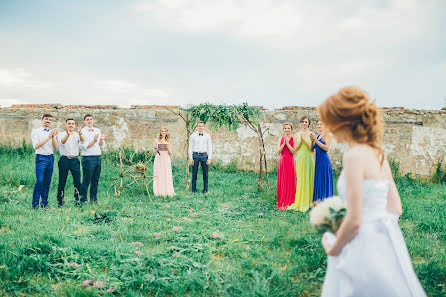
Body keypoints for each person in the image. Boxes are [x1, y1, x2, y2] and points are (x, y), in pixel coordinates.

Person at [318, 86, 426, 297]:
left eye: (330, 121)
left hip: (360, 243)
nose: (328, 128)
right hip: (386, 240)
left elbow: (356, 219)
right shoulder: (378, 154)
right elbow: (396, 207)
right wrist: (379, 231)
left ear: (343, 122)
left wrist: (335, 247)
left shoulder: (353, 156)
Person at [287, 116, 315, 212]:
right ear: (300, 123)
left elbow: (312, 149)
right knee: (301, 178)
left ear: (309, 123)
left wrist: (305, 140)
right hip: (300, 157)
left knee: (309, 178)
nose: (304, 123)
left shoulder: (312, 134)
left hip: (309, 157)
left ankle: (309, 201)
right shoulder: (297, 134)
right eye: (302, 122)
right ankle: (300, 200)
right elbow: (295, 150)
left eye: (306, 122)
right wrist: (301, 141)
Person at [30, 114, 58, 209]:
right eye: (46, 119)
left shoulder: (51, 132)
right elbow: (36, 146)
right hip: (41, 158)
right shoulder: (36, 131)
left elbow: (55, 147)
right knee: (40, 180)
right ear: (42, 120)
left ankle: (44, 203)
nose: (48, 121)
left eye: (50, 120)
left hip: (50, 158)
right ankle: (35, 205)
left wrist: (53, 137)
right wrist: (48, 137)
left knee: (47, 181)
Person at [56, 118, 85, 207]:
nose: (71, 125)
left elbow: (83, 141)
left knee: (77, 181)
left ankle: (77, 200)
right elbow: (62, 142)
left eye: (72, 124)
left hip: (74, 160)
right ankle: (60, 201)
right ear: (66, 125)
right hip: (64, 160)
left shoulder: (77, 134)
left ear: (74, 125)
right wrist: (68, 135)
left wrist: (80, 133)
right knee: (62, 181)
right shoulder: (61, 134)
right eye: (69, 123)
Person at [79, 114, 106, 204]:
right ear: (84, 122)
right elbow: (84, 146)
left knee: (95, 180)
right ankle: (83, 200)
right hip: (88, 158)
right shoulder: (82, 132)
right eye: (87, 119)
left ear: (93, 121)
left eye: (91, 119)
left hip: (98, 157)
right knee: (87, 180)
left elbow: (101, 145)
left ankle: (93, 199)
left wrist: (101, 139)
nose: (89, 121)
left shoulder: (97, 130)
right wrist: (94, 141)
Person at [310, 120, 333, 202]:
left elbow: (326, 148)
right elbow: (311, 149)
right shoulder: (318, 135)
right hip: (318, 161)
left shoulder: (328, 135)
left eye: (321, 124)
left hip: (324, 161)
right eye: (318, 124)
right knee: (319, 181)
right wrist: (312, 140)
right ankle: (318, 201)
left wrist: (315, 140)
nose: (319, 126)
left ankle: (325, 201)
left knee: (324, 181)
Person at [276, 122, 296, 210]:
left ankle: (290, 199)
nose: (287, 130)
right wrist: (283, 143)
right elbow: (278, 152)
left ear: (291, 129)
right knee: (283, 179)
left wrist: (287, 143)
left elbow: (294, 152)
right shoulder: (280, 138)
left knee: (289, 179)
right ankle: (282, 199)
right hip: (283, 160)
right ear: (283, 129)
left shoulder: (293, 138)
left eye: (288, 128)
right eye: (285, 128)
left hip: (290, 160)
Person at [188, 121, 212, 193]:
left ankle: (205, 189)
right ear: (197, 127)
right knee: (194, 173)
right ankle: (193, 189)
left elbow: (209, 147)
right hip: (195, 155)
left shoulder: (207, 136)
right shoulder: (193, 136)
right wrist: (190, 158)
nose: (200, 127)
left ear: (204, 127)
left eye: (202, 126)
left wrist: (209, 158)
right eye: (199, 126)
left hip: (204, 155)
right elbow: (190, 147)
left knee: (205, 173)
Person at [153, 127, 175, 197]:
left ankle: (167, 191)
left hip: (166, 158)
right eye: (162, 131)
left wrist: (167, 148)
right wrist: (157, 149)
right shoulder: (156, 140)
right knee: (159, 173)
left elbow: (170, 153)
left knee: (166, 173)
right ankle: (158, 191)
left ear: (166, 133)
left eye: (165, 131)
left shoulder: (168, 141)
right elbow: (154, 152)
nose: (163, 132)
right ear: (160, 132)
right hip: (159, 158)